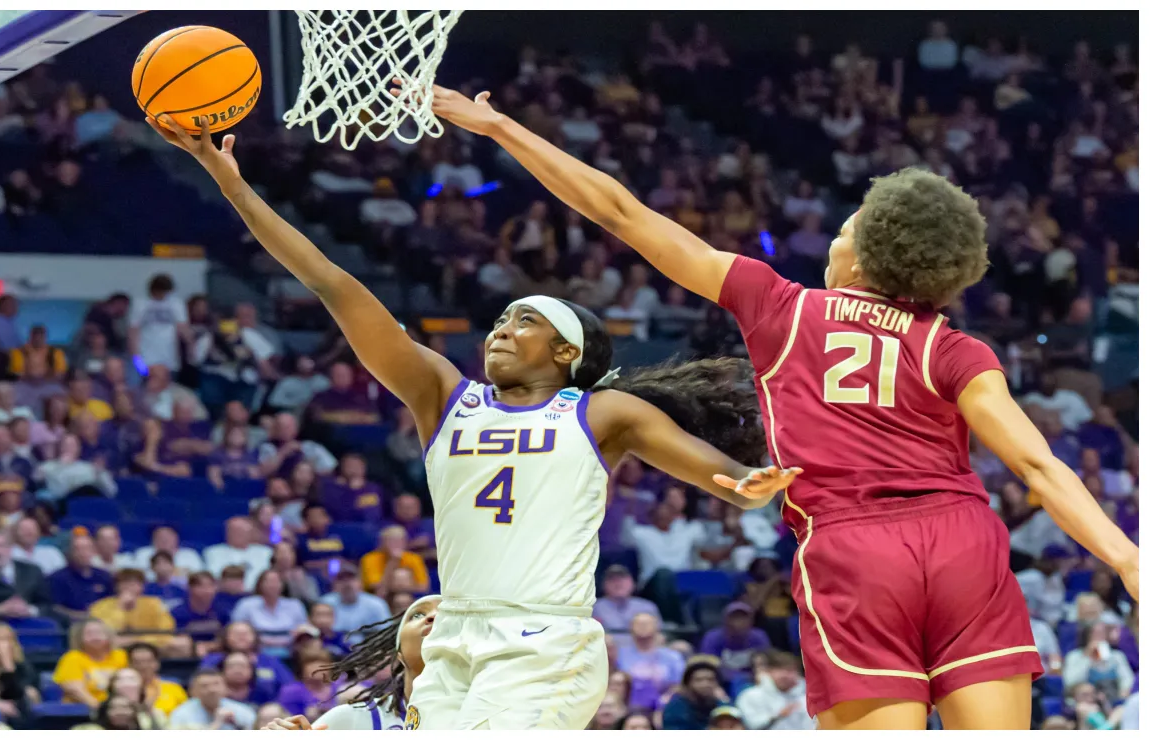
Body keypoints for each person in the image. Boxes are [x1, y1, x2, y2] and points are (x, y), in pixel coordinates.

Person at [431, 93, 1140, 730]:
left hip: (855, 551)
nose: (833, 238)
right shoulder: (954, 347)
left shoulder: (782, 306)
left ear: (864, 257)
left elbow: (620, 212)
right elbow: (1037, 466)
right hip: (964, 542)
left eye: (845, 230)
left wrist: (501, 127)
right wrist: (1129, 561)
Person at [150, 114, 794, 732]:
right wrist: (231, 184)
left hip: (543, 638)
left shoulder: (600, 412)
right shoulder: (443, 396)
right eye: (499, 321)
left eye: (524, 321)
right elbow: (333, 285)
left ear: (566, 352)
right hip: (454, 634)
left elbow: (728, 479)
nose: (501, 330)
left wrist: (749, 483)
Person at [262, 595, 441, 730]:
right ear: (398, 654)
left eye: (447, 614)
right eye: (418, 615)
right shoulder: (354, 718)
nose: (434, 616)